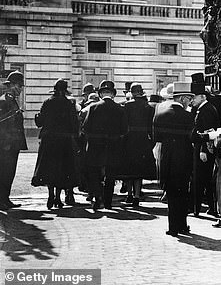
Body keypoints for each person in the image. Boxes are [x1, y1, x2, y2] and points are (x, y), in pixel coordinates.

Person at [153, 82, 195, 236]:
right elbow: (192, 137)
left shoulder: (159, 110)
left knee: (171, 192)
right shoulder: (188, 115)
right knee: (182, 191)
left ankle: (173, 227)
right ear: (183, 99)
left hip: (166, 154)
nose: (190, 102)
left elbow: (156, 135)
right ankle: (182, 225)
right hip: (183, 156)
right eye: (189, 99)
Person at [31, 79, 80, 210]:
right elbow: (74, 123)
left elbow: (40, 121)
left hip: (49, 140)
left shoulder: (47, 102)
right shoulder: (69, 104)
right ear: (65, 90)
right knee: (62, 169)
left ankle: (50, 195)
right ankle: (58, 197)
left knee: (49, 167)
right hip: (64, 141)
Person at [82, 80, 126, 211]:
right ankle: (108, 202)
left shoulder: (93, 107)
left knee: (95, 173)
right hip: (113, 145)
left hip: (95, 146)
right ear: (113, 95)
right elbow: (125, 129)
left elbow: (85, 127)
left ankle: (97, 197)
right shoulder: (119, 109)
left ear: (101, 94)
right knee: (110, 174)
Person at [119, 83, 156, 207]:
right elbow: (151, 127)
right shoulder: (148, 107)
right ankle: (136, 196)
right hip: (143, 140)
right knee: (139, 171)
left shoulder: (127, 106)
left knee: (129, 169)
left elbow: (123, 125)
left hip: (129, 139)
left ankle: (129, 194)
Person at [190, 73, 220, 216]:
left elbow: (208, 132)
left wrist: (203, 149)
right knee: (204, 179)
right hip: (201, 148)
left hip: (204, 149)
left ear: (202, 96)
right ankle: (210, 208)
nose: (192, 100)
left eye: (194, 97)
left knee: (201, 179)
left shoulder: (207, 110)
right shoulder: (203, 108)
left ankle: (197, 209)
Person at [0, 71, 26, 211]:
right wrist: (6, 143)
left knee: (10, 172)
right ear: (12, 86)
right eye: (19, 86)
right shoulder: (5, 101)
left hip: (12, 144)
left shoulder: (11, 100)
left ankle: (5, 198)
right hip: (6, 145)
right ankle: (2, 199)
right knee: (4, 172)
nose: (21, 89)